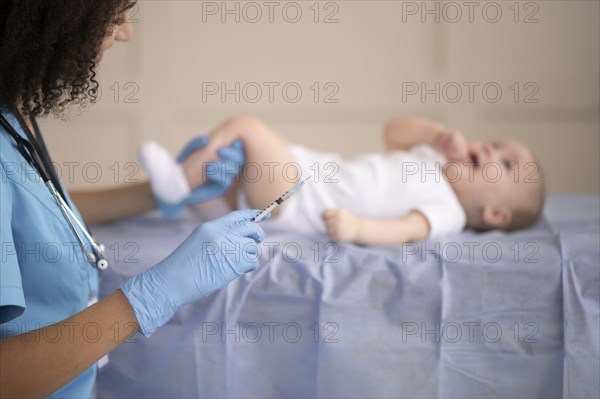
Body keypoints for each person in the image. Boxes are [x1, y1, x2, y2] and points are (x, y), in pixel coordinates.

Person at [0, 2, 266, 397]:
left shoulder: (12, 111)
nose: (125, 32)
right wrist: (154, 294)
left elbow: (38, 213)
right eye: (115, 13)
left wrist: (160, 194)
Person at [141, 116, 545, 245]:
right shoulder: (431, 158)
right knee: (231, 161)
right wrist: (432, 134)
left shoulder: (449, 212)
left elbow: (405, 230)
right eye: (494, 144)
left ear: (494, 212)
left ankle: (177, 184)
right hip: (299, 173)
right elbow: (393, 134)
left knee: (245, 126)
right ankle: (203, 198)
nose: (491, 152)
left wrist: (357, 228)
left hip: (297, 199)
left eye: (506, 165)